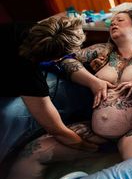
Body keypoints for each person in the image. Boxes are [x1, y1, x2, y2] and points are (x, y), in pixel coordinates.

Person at [1, 11, 132, 179]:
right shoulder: (101, 52)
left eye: (121, 19)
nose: (114, 22)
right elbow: (65, 60)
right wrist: (92, 81)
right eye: (113, 21)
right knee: (31, 153)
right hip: (95, 132)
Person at [0, 16, 105, 152]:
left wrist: (94, 81)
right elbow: (57, 130)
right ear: (55, 58)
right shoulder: (28, 76)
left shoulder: (30, 29)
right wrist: (89, 148)